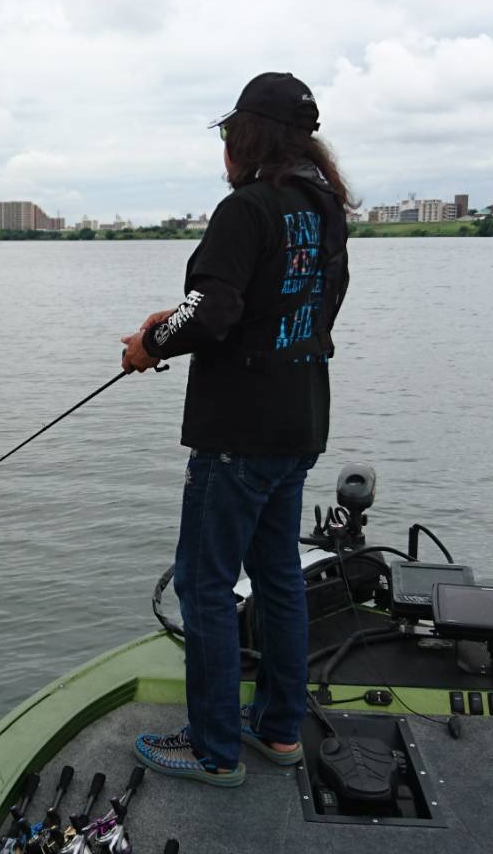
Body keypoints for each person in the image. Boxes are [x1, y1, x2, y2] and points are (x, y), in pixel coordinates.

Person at [119, 72, 351, 787]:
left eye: (229, 133)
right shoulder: (324, 209)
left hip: (238, 433)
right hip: (300, 419)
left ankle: (214, 748)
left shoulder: (246, 208)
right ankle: (278, 732)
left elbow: (216, 313)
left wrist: (150, 346)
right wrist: (178, 321)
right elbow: (287, 308)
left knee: (205, 583)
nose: (224, 146)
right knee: (279, 578)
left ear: (250, 137)